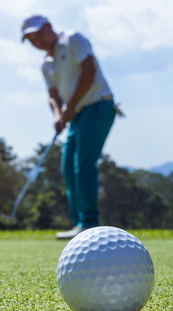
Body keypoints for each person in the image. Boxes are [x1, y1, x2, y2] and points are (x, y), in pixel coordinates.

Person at [21, 14, 118, 240]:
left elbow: (89, 70)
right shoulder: (45, 65)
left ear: (49, 27)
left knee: (83, 164)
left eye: (38, 34)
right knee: (68, 167)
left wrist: (71, 106)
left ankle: (89, 223)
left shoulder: (73, 39)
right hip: (77, 114)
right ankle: (80, 225)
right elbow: (52, 94)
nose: (37, 41)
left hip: (98, 106)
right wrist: (58, 114)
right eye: (31, 40)